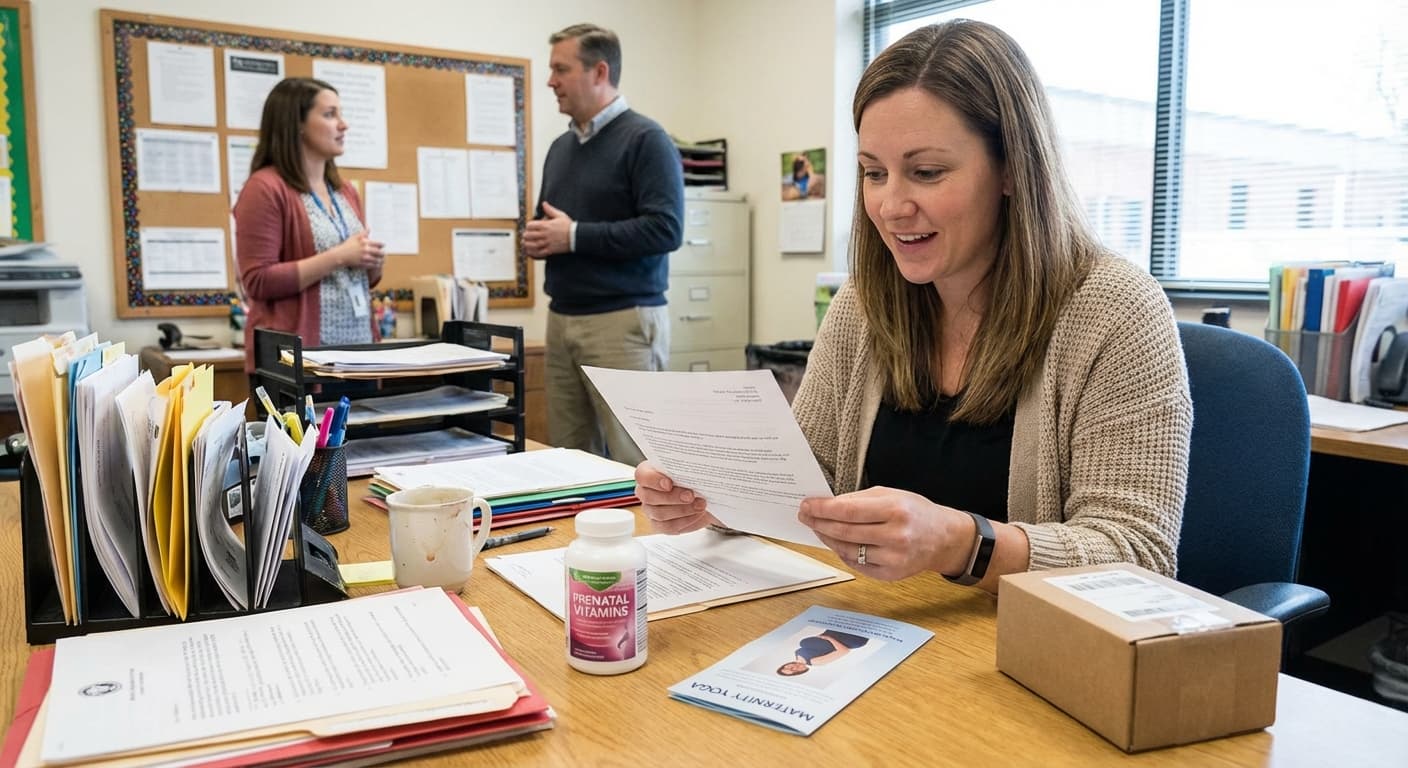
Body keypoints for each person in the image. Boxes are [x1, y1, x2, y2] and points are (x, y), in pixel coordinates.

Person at [634, 20, 1192, 594]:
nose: (891, 205)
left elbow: (1138, 555)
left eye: (927, 172)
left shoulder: (1116, 310)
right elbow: (806, 487)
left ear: (1011, 170)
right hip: (880, 631)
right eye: (874, 173)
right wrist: (715, 499)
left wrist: (959, 543)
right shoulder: (864, 302)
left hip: (1026, 652)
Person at [524, 23, 684, 467]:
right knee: (569, 461)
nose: (550, 81)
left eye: (560, 69)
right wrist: (544, 238)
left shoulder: (646, 140)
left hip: (622, 325)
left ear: (599, 72)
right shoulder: (560, 148)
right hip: (563, 321)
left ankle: (654, 540)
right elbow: (557, 224)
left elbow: (666, 229)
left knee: (642, 464)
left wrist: (573, 236)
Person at [233, 77, 385, 373]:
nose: (344, 125)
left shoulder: (345, 190)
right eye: (330, 115)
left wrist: (371, 261)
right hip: (299, 364)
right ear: (297, 124)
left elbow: (360, 278)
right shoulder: (265, 188)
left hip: (357, 358)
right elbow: (257, 280)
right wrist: (339, 256)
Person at [777, 629, 869, 677]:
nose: (793, 668)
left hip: (835, 631)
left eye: (788, 668)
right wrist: (829, 638)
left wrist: (824, 634)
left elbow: (819, 644)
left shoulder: (797, 653)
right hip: (850, 638)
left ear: (785, 665)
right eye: (794, 671)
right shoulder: (815, 662)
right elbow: (844, 651)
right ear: (800, 672)